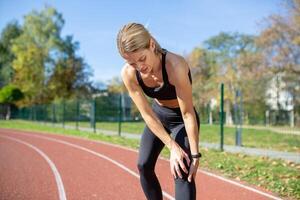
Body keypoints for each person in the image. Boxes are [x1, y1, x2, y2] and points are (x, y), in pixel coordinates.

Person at [117, 22, 201, 200]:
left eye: (142, 59)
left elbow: (187, 113)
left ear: (152, 45)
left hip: (181, 119)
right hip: (158, 116)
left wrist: (194, 154)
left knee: (183, 170)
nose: (139, 66)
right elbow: (147, 114)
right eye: (132, 62)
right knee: (143, 165)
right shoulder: (128, 74)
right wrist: (172, 146)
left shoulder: (175, 65)